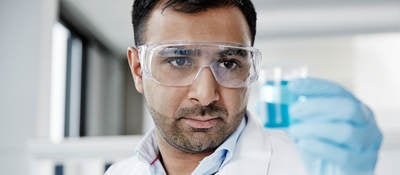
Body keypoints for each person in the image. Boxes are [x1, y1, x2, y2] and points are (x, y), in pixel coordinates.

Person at [105, 0, 382, 175]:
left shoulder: (305, 166)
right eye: (179, 60)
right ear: (139, 69)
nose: (205, 94)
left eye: (228, 63)